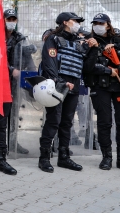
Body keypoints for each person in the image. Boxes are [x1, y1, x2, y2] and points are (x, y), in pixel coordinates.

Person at [37, 12, 94, 174]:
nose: (77, 23)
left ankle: (63, 156)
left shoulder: (77, 42)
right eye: (75, 21)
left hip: (73, 88)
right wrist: (60, 83)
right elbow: (49, 64)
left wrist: (92, 47)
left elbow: (86, 64)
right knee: (53, 120)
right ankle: (44, 158)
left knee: (67, 122)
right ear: (65, 22)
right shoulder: (53, 39)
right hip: (57, 87)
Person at [83, 14, 120, 173]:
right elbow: (88, 67)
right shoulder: (90, 40)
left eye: (101, 23)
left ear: (108, 25)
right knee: (104, 122)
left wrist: (116, 48)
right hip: (100, 87)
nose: (97, 25)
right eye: (95, 23)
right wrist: (108, 69)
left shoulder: (118, 40)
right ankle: (106, 157)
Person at [0, 9, 31, 176]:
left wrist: (32, 76)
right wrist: (12, 70)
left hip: (11, 86)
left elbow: (27, 56)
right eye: (9, 19)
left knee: (8, 118)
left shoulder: (19, 38)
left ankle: (2, 157)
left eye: (14, 19)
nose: (12, 21)